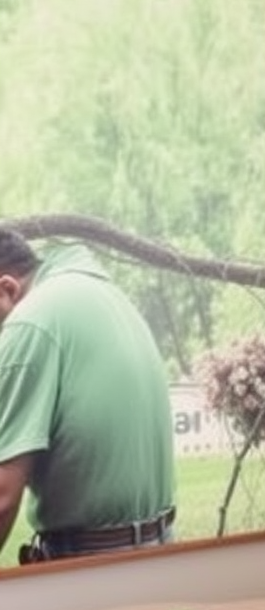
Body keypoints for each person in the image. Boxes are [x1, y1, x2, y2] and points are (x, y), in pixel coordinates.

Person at [0, 227, 176, 564]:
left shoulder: (30, 321)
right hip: (160, 547)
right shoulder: (97, 292)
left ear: (7, 289)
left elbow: (3, 498)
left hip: (95, 559)